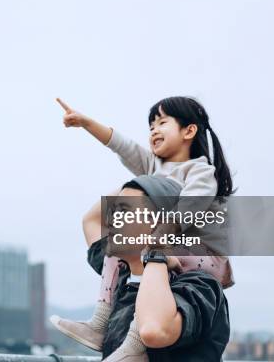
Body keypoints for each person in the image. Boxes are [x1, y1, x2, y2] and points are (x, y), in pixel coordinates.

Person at [50, 96, 234, 361]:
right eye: (150, 127)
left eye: (162, 123)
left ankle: (135, 344)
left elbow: (192, 205)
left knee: (142, 223)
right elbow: (123, 146)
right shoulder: (153, 167)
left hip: (200, 254)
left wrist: (158, 235)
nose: (154, 131)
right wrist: (86, 123)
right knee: (120, 234)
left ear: (189, 131)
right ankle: (100, 322)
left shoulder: (199, 170)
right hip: (164, 250)